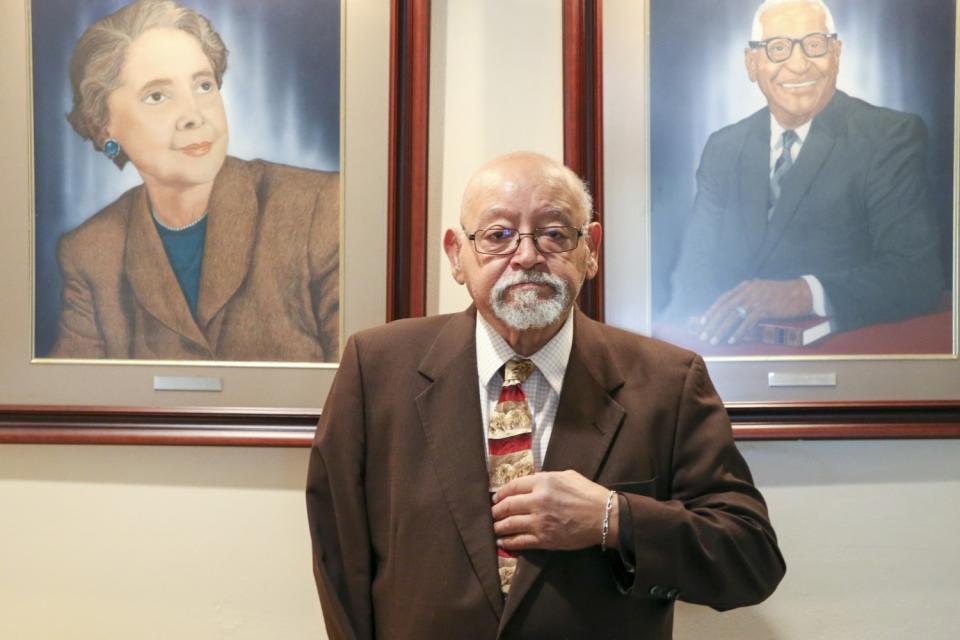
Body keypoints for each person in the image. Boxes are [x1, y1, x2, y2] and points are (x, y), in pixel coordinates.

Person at [306, 151, 785, 639]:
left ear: (591, 248)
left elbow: (750, 561)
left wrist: (612, 519)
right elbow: (339, 556)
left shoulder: (668, 381)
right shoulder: (378, 367)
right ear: (456, 255)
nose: (528, 255)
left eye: (554, 234)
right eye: (498, 235)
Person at [50, 0, 339, 361]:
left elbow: (357, 385)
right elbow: (73, 399)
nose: (194, 115)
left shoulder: (319, 208)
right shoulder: (91, 250)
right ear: (103, 125)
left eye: (203, 86)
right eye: (157, 95)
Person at [665, 0, 943, 345]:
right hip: (731, 361)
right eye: (778, 48)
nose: (798, 65)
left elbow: (918, 275)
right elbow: (693, 274)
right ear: (752, 64)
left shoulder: (890, 137)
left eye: (814, 45)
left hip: (845, 360)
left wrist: (806, 293)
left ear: (836, 53)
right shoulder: (723, 147)